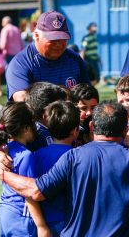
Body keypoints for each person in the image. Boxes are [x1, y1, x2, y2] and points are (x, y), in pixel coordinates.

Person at [0, 101, 129, 236]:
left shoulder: (73, 156)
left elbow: (35, 191)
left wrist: (4, 172)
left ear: (92, 127)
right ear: (123, 130)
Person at [0, 102, 50, 237]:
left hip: (5, 213)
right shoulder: (26, 156)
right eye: (33, 124)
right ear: (26, 128)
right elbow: (29, 194)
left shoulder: (5, 149)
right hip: (21, 217)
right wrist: (41, 226)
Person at [6, 10, 90, 101]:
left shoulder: (75, 60)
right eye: (53, 39)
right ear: (37, 36)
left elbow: (87, 96)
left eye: (63, 38)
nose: (58, 44)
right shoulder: (21, 63)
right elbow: (22, 100)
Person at [33, 101, 80, 236]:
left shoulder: (37, 155)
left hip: (45, 220)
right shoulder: (79, 156)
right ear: (76, 130)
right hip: (71, 222)